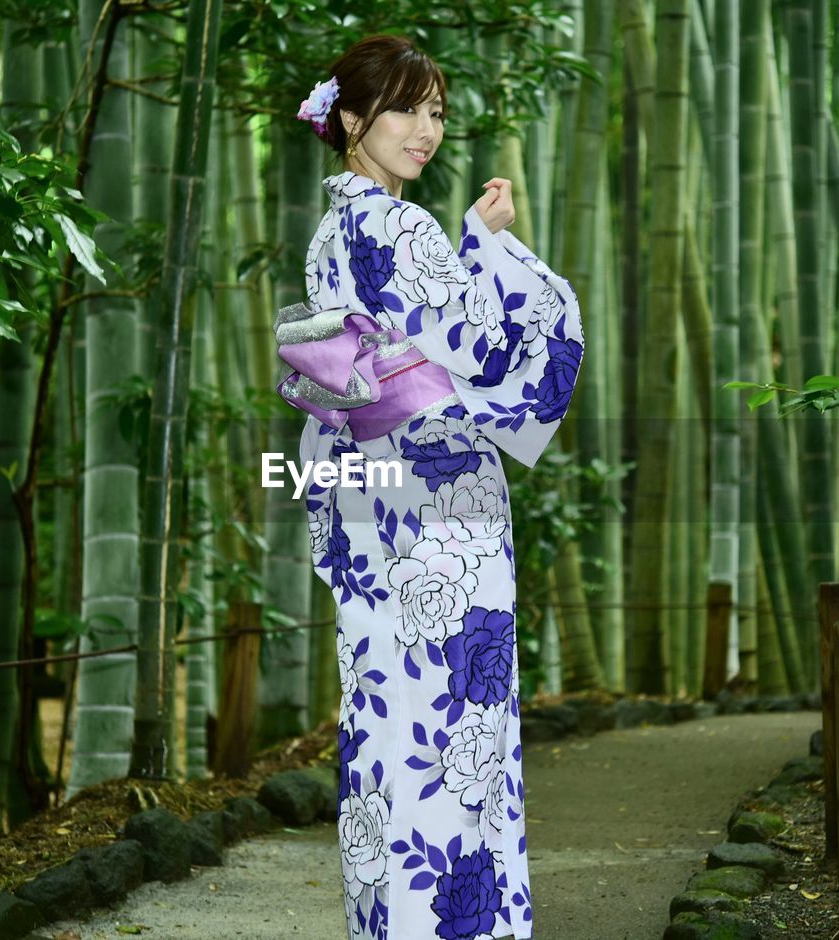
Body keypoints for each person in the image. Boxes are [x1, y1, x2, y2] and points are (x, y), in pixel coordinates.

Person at [276, 33, 584, 940]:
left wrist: (464, 248)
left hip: (372, 490)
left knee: (388, 711)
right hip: (438, 497)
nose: (426, 129)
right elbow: (483, 347)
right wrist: (486, 245)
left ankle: (393, 922)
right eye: (406, 108)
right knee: (459, 725)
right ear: (350, 119)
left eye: (437, 111)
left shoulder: (334, 227)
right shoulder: (396, 225)